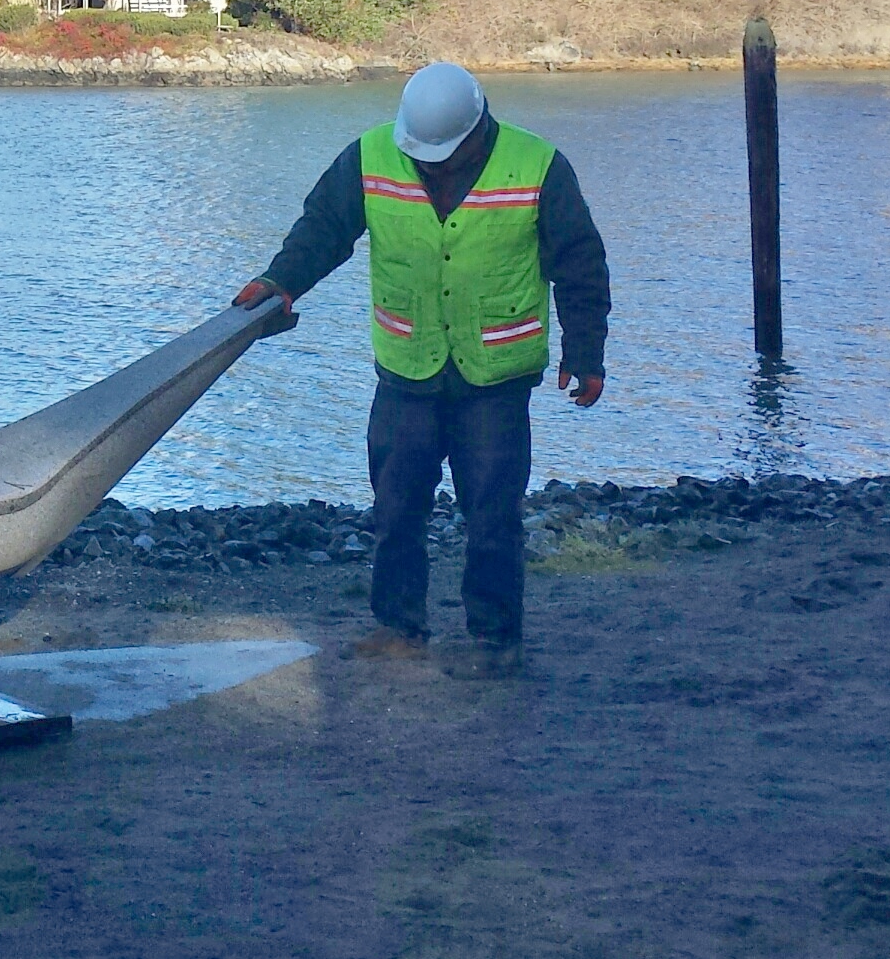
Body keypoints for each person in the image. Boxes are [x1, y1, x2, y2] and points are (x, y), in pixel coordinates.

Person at [233, 61, 609, 675]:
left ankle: (494, 640)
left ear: (478, 126)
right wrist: (281, 280)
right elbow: (323, 230)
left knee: (492, 513)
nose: (433, 163)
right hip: (407, 371)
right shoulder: (371, 156)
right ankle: (398, 628)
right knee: (396, 507)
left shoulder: (538, 166)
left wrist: (585, 353)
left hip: (495, 378)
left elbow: (580, 264)